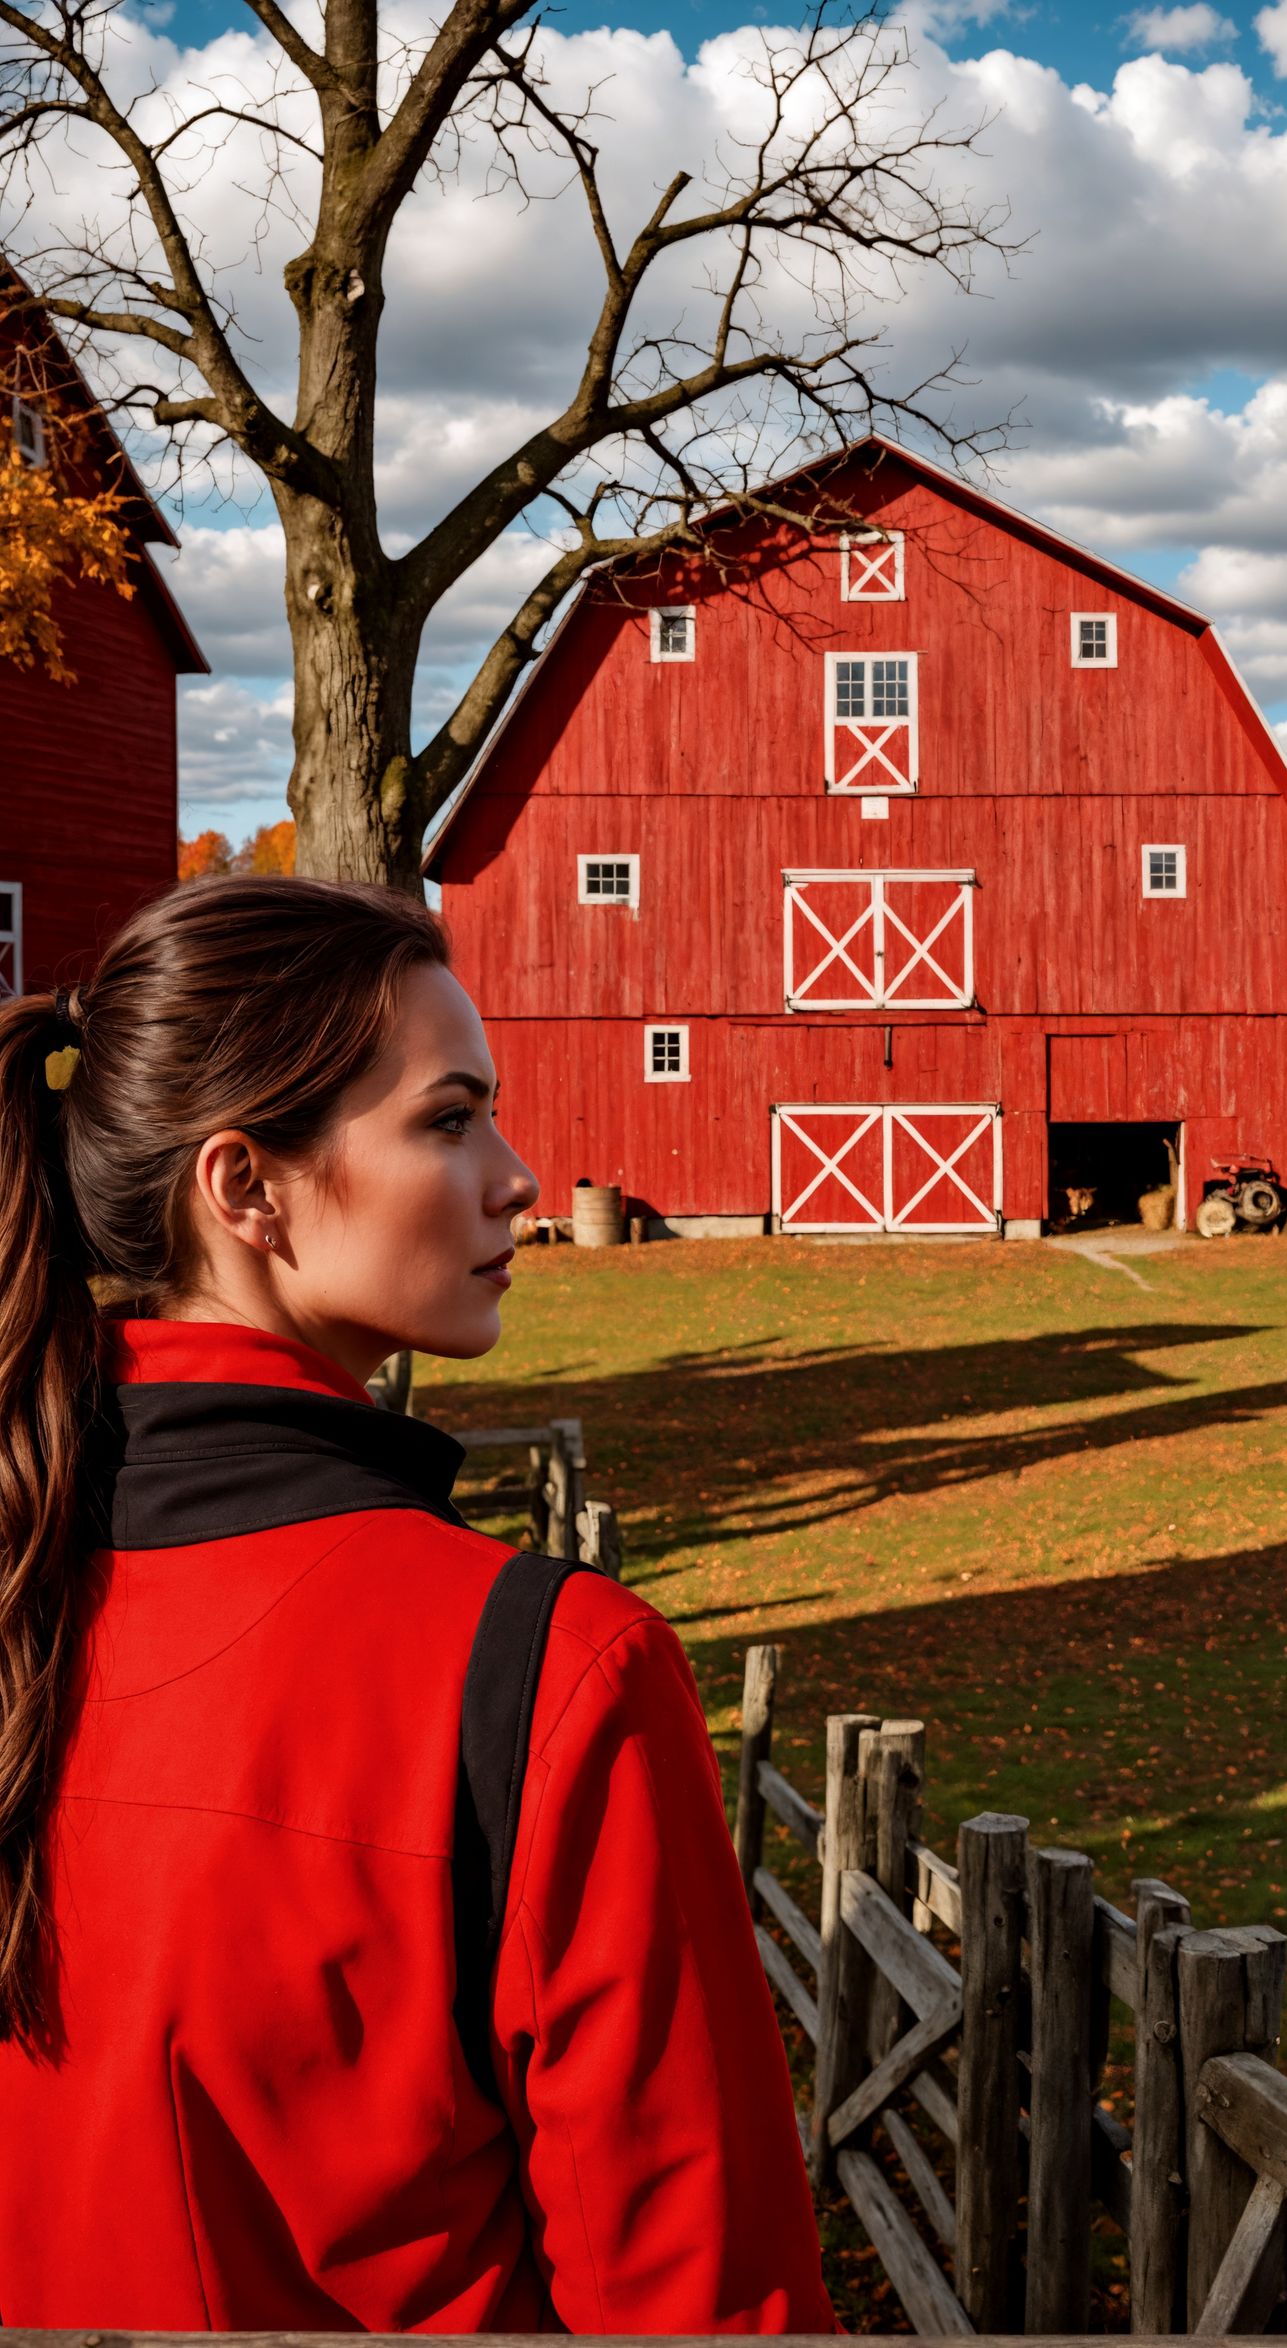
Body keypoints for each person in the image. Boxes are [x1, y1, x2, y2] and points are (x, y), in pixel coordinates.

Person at [0, 877, 835, 2333]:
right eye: (449, 1121)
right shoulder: (546, 1668)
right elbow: (700, 2305)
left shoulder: (29, 1589)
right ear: (245, 1187)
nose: (517, 1177)